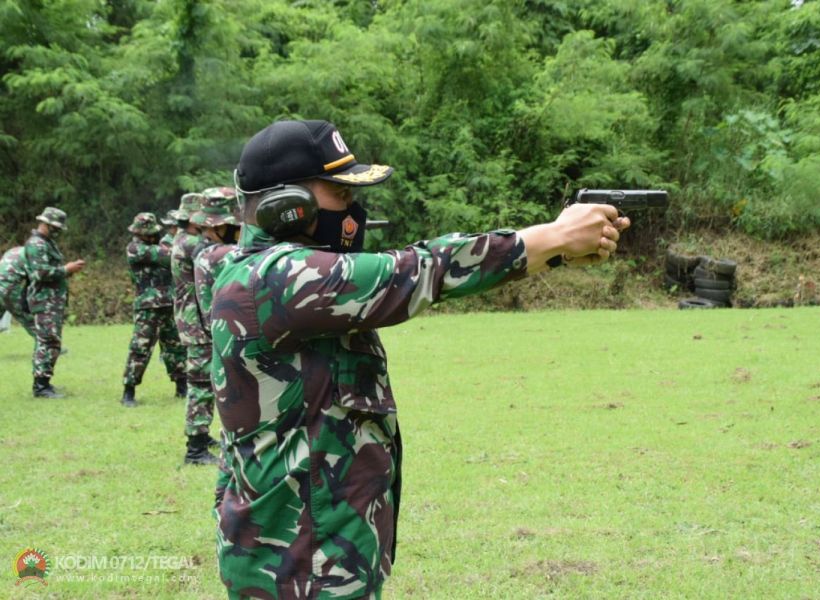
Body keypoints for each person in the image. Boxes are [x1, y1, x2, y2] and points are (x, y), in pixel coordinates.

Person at [210, 120, 630, 599]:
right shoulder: (274, 279)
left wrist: (555, 250)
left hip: (315, 551)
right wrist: (553, 236)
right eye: (341, 195)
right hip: (299, 565)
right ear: (286, 207)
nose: (353, 210)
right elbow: (419, 270)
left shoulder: (280, 281)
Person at [181, 187, 241, 464]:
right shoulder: (219, 253)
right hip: (207, 331)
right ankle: (195, 449)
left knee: (205, 386)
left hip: (204, 328)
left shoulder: (206, 250)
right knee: (202, 386)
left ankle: (200, 440)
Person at [120, 213, 187, 407]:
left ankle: (182, 386)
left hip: (168, 303)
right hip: (148, 307)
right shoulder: (135, 248)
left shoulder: (160, 244)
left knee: (175, 347)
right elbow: (169, 256)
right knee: (140, 348)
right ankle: (129, 391)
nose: (148, 236)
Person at [24, 207, 86, 398]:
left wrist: (67, 270)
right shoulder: (37, 244)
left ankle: (45, 382)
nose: (58, 231)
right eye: (56, 227)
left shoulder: (47, 243)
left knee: (51, 341)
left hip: (51, 301)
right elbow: (40, 273)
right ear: (47, 224)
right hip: (44, 301)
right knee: (47, 341)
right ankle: (40, 386)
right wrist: (67, 269)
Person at [0, 246, 36, 339]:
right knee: (29, 320)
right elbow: (35, 280)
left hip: (3, 287)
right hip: (8, 289)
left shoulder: (13, 251)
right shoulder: (32, 257)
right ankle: (49, 345)